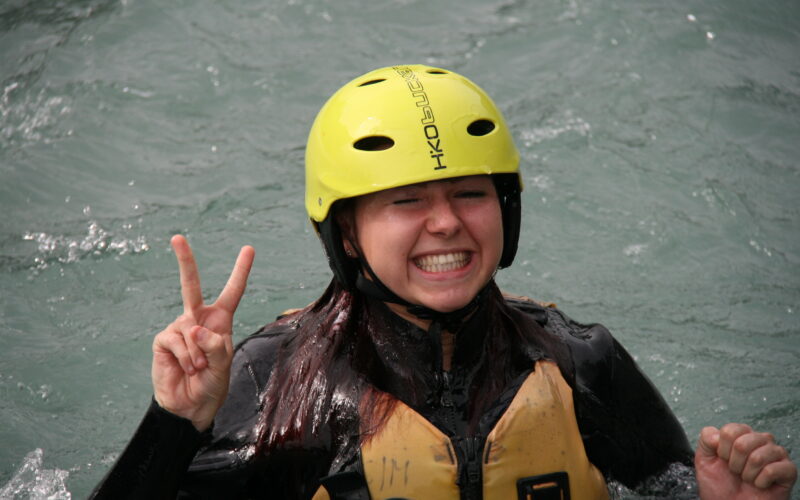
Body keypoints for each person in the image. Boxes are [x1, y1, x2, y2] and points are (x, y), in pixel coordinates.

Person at [91, 65, 796, 499]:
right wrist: (176, 423)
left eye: (470, 194)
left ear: (505, 209)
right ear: (345, 233)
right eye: (406, 202)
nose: (446, 224)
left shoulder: (582, 363)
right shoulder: (273, 386)